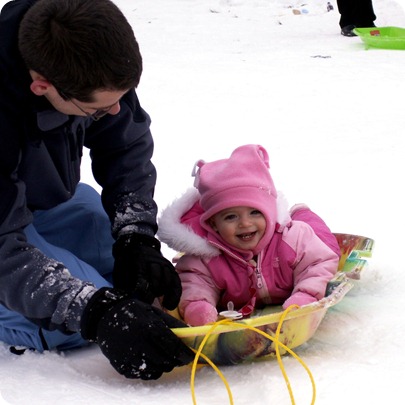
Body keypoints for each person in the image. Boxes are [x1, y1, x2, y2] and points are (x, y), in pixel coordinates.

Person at [0, 0, 194, 380]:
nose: (118, 110)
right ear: (42, 86)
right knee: (62, 321)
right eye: (101, 109)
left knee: (117, 275)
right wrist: (95, 313)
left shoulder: (78, 52)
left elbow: (125, 147)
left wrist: (135, 237)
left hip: (38, 199)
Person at [157, 145, 341, 326]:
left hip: (307, 236)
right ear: (213, 224)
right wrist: (198, 306)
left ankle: (301, 212)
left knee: (324, 244)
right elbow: (195, 282)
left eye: (255, 212)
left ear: (269, 211)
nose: (245, 223)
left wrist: (306, 295)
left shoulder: (292, 238)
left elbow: (317, 264)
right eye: (230, 217)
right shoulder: (207, 258)